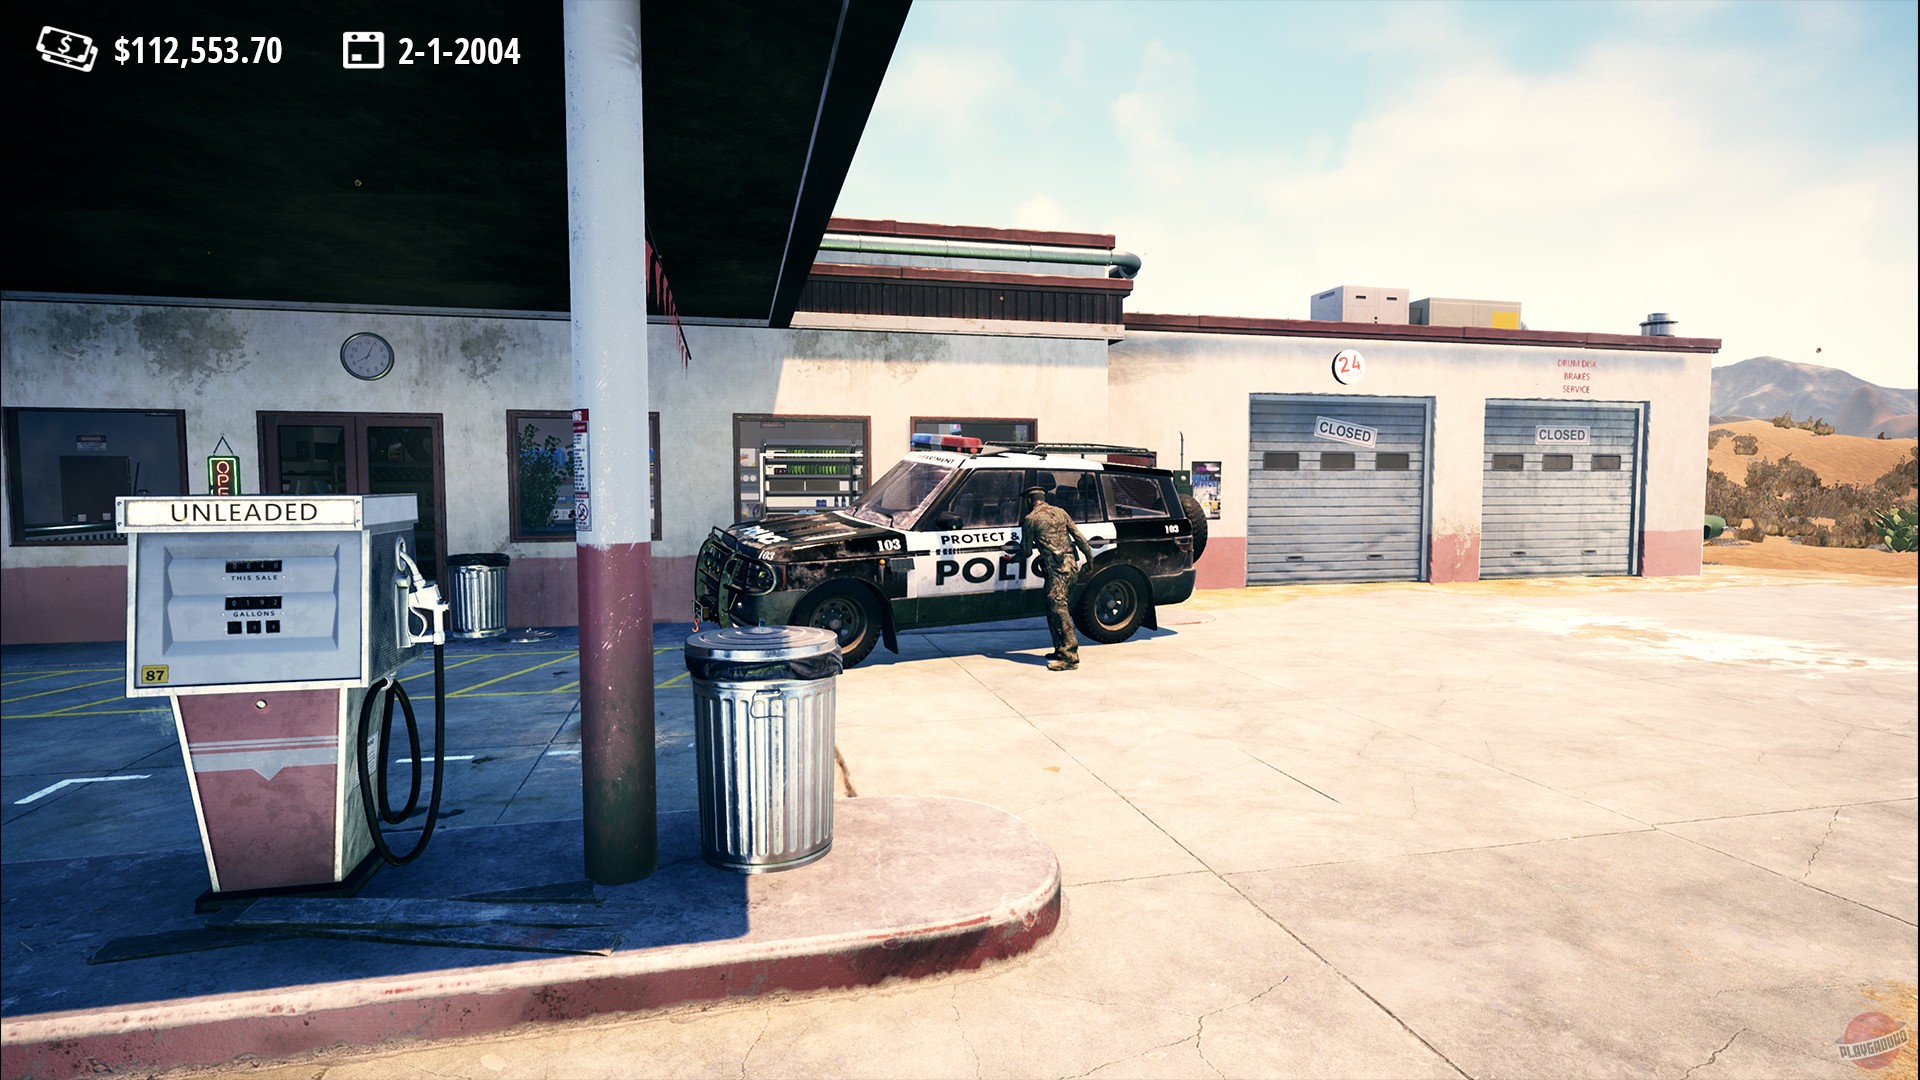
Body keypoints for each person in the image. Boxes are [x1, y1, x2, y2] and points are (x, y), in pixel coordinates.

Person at [1007, 483, 1094, 671]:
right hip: (1071, 566)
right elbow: (1079, 537)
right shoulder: (1060, 512)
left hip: (1057, 570)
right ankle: (1059, 649)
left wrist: (1011, 560)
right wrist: (1089, 559)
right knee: (1052, 608)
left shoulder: (1031, 519)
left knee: (1059, 609)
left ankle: (1069, 656)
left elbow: (1026, 551)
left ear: (1029, 501)